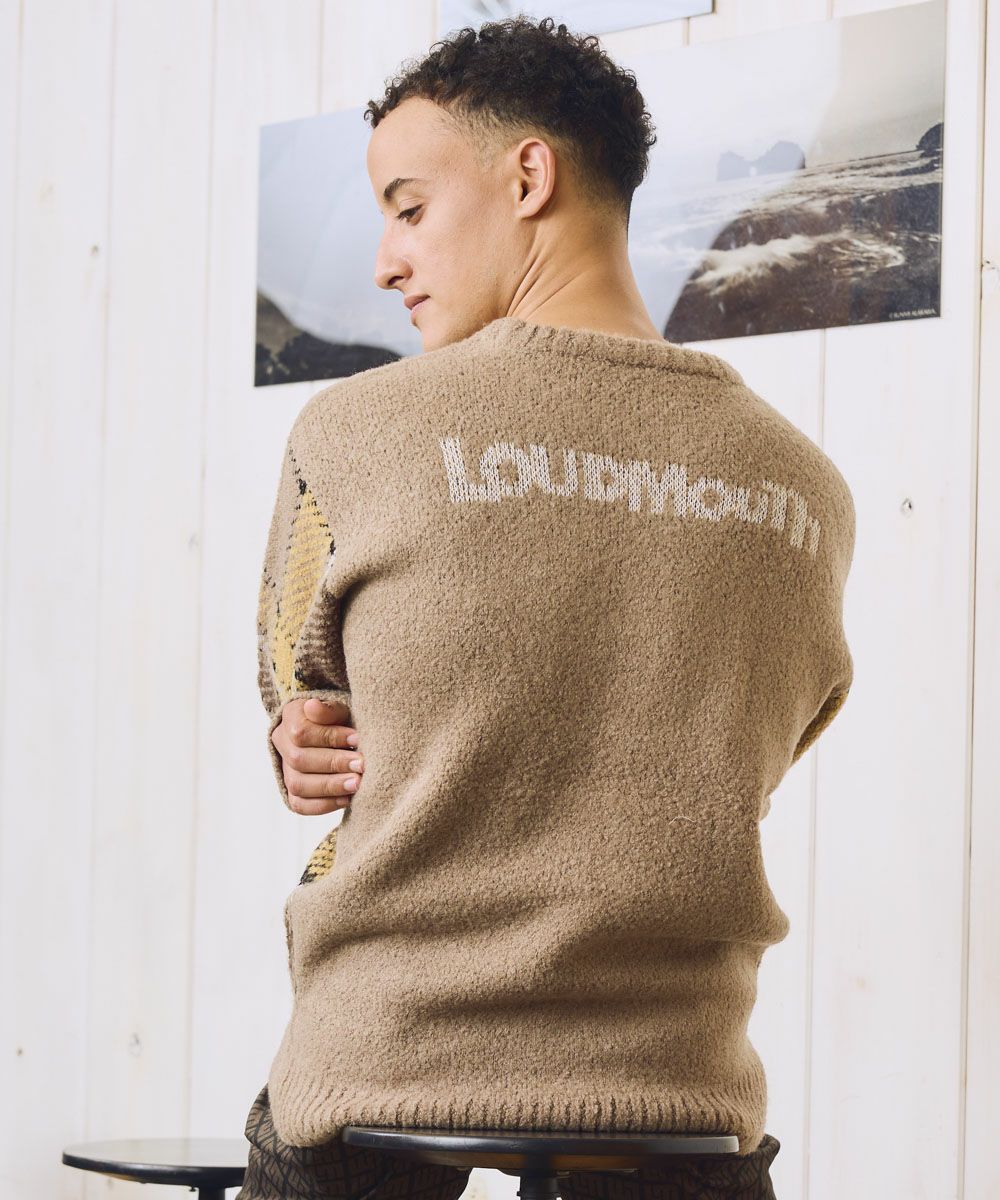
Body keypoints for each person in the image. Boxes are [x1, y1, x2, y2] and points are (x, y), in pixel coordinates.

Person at [237, 16, 854, 1200]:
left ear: (528, 176)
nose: (385, 262)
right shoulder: (807, 490)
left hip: (386, 1058)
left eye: (408, 208)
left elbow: (302, 682)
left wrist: (295, 734)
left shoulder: (354, 431)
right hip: (677, 1084)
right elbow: (757, 751)